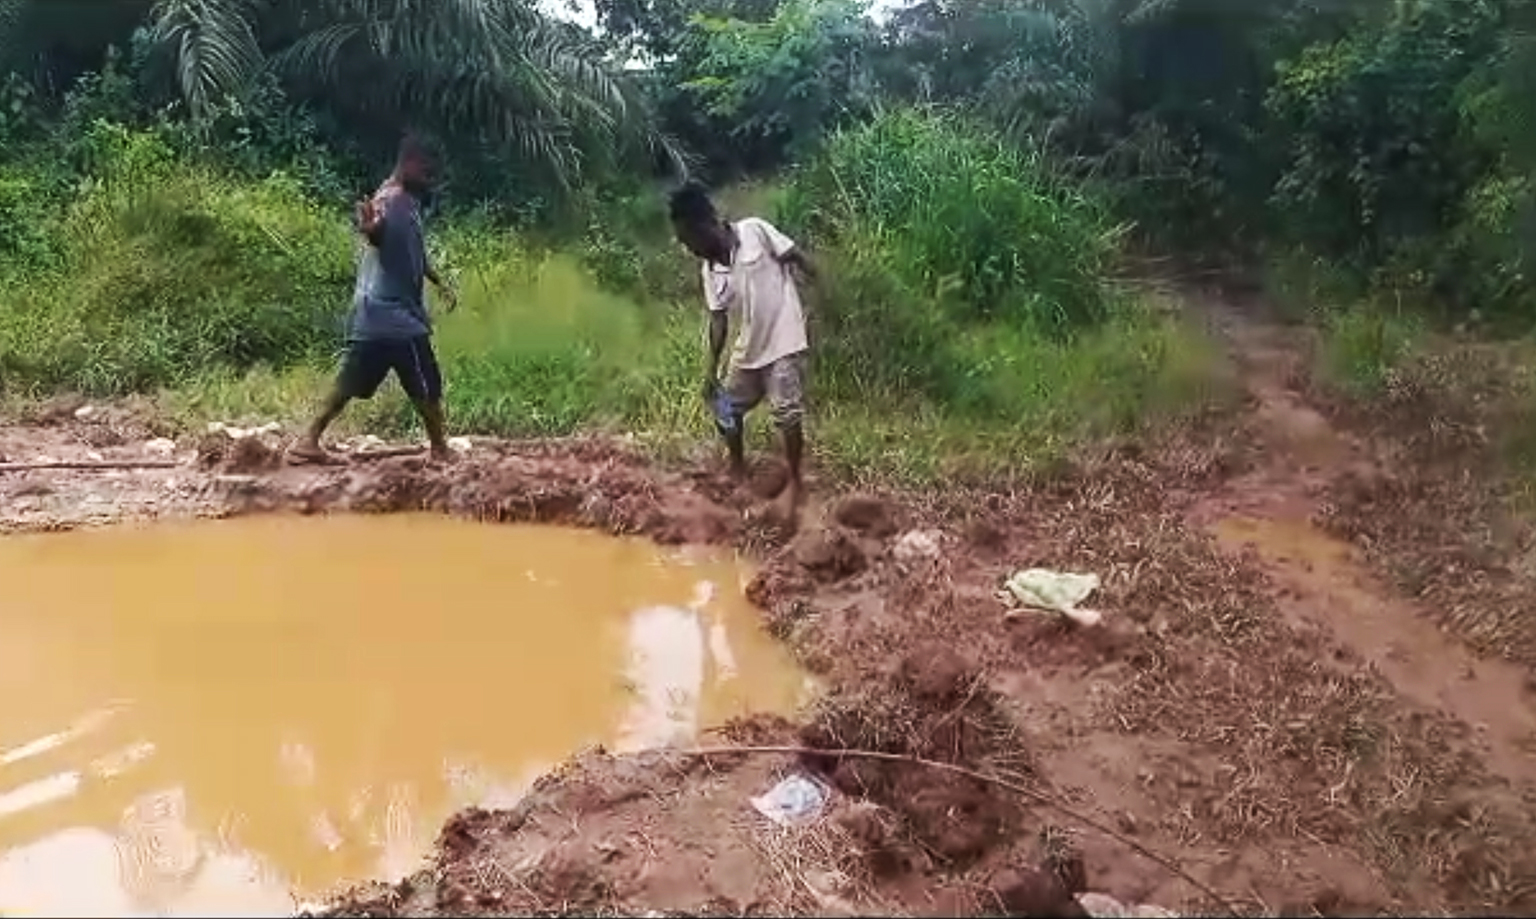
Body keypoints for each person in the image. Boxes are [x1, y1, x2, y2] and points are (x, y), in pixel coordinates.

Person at [289, 134, 457, 465]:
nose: (429, 181)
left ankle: (307, 442)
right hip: (397, 319)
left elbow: (414, 254)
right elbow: (376, 230)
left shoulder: (407, 202)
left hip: (375, 317)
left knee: (348, 382)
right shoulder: (390, 200)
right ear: (409, 164)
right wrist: (370, 229)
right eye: (426, 173)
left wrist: (439, 282)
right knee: (426, 380)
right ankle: (440, 450)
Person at [668, 183, 816, 514]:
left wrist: (822, 289)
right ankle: (737, 467)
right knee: (723, 408)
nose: (688, 248)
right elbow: (718, 320)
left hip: (784, 337)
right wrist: (711, 371)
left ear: (706, 224)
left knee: (786, 412)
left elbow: (794, 255)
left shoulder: (755, 232)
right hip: (750, 346)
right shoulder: (710, 271)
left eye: (688, 239)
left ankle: (795, 480)